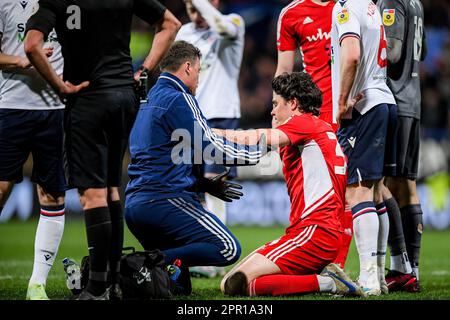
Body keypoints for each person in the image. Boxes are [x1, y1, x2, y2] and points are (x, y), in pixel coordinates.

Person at [24, 0, 181, 300]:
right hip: (125, 97)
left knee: (92, 195)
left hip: (88, 99)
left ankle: (96, 289)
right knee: (111, 190)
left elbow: (32, 45)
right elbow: (171, 24)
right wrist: (144, 70)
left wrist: (59, 85)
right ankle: (114, 282)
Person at [124, 40, 266, 295]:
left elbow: (161, 156)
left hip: (136, 206)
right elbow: (210, 145)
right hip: (164, 201)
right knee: (227, 247)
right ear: (187, 67)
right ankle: (143, 263)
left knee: (179, 288)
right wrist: (256, 153)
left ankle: (145, 268)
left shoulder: (149, 98)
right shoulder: (178, 98)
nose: (199, 79)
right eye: (199, 71)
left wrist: (203, 185)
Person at [218, 72, 364, 298]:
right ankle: (324, 278)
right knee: (230, 282)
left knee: (234, 285)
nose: (272, 110)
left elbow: (261, 137)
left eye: (276, 104)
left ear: (294, 103)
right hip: (316, 234)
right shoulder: (318, 130)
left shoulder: (304, 123)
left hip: (313, 233)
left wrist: (213, 134)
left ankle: (327, 283)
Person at [275, 0, 353, 270]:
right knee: (306, 185)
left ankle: (340, 267)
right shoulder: (291, 14)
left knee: (352, 190)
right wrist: (277, 114)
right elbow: (283, 71)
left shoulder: (346, 6)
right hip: (313, 116)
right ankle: (304, 245)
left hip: (349, 110)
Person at [331, 0, 398, 295]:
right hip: (385, 101)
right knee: (373, 190)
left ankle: (369, 279)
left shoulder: (345, 8)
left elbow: (352, 55)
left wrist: (342, 102)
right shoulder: (371, 6)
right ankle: (379, 278)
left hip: (364, 106)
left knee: (357, 191)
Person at [0, 0, 65, 300]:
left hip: (56, 108)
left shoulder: (63, 3)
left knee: (52, 194)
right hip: (10, 107)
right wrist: (22, 61)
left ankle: (36, 284)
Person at [175, 0, 245, 278]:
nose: (196, 15)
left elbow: (219, 25)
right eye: (190, 9)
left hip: (222, 115)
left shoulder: (234, 22)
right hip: (191, 116)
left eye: (200, 7)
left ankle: (218, 254)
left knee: (217, 183)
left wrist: (201, 4)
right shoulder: (184, 32)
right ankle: (202, 251)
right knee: (193, 186)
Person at [377, 0, 426, 292]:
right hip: (414, 99)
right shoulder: (416, 2)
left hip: (394, 100)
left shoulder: (391, 0)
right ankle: (413, 269)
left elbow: (392, 52)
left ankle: (399, 266)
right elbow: (422, 51)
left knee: (380, 184)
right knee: (407, 186)